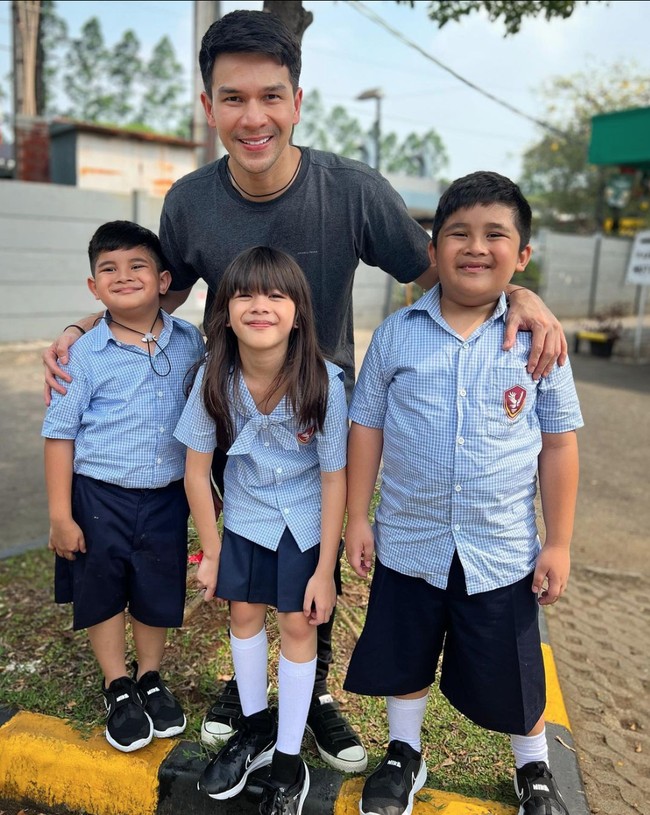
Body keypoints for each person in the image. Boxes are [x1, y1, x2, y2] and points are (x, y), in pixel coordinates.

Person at [41, 9, 568, 772]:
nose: (253, 117)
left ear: (297, 100)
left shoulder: (352, 191)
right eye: (233, 98)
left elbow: (444, 268)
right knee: (250, 566)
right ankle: (250, 698)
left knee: (313, 566)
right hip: (235, 418)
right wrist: (82, 324)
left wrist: (522, 295)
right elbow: (159, 293)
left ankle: (311, 691)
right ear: (209, 106)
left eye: (271, 96)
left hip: (322, 417)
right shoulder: (189, 202)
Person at [343, 172, 582, 815]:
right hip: (409, 540)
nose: (475, 247)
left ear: (522, 255)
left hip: (500, 549)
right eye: (458, 234)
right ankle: (404, 752)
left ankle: (533, 767)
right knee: (405, 656)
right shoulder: (397, 334)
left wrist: (558, 543)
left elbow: (559, 445)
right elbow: (366, 427)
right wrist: (358, 517)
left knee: (515, 667)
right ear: (433, 249)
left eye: (494, 235)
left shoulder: (540, 341)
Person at [174, 246, 347, 815]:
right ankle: (254, 729)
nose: (260, 305)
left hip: (303, 523)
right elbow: (197, 471)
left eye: (276, 295)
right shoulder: (213, 378)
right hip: (245, 519)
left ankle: (289, 758)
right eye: (245, 294)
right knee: (244, 616)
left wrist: (324, 569)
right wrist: (212, 552)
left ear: (298, 313)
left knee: (298, 623)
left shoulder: (324, 382)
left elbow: (333, 478)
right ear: (224, 313)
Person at [41, 221, 205, 753]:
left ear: (164, 281)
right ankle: (117, 684)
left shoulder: (190, 342)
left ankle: (150, 676)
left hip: (167, 496)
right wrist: (61, 516)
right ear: (94, 288)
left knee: (157, 588)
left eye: (138, 265)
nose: (124, 276)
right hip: (98, 497)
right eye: (108, 269)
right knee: (103, 590)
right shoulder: (83, 354)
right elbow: (59, 435)